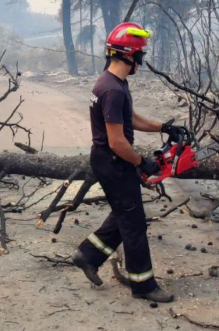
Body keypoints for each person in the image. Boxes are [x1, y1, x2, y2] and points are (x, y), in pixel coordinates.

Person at [70, 23, 185, 303]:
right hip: (114, 162)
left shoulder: (113, 83)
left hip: (112, 161)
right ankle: (143, 285)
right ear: (129, 56)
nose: (141, 61)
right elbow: (117, 142)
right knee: (133, 224)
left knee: (125, 213)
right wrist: (142, 162)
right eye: (139, 55)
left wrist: (164, 127)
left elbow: (130, 118)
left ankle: (87, 255)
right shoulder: (112, 90)